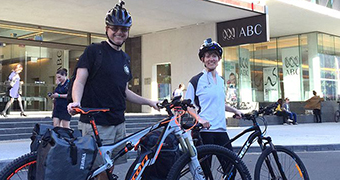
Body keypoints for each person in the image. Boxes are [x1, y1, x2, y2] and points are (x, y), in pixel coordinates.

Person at [67, 1, 158, 179]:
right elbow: (79, 81)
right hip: (97, 122)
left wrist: (149, 101)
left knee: (109, 169)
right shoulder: (94, 51)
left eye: (123, 29)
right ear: (107, 29)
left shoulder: (124, 58)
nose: (119, 32)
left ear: (128, 31)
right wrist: (76, 101)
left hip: (118, 122)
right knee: (100, 171)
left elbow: (124, 92)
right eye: (115, 28)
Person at [185, 38, 242, 151]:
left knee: (231, 167)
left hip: (221, 130)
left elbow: (219, 103)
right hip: (205, 131)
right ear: (203, 59)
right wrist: (200, 119)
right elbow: (187, 105)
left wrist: (235, 110)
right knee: (205, 168)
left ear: (219, 58)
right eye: (208, 56)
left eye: (214, 56)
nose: (211, 59)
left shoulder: (221, 80)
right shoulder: (196, 80)